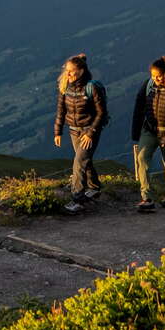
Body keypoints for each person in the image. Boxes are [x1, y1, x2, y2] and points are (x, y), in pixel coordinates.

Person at [131, 55, 165, 213]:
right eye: (153, 76)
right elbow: (138, 106)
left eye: (159, 76)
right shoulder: (148, 85)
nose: (155, 79)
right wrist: (136, 134)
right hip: (149, 130)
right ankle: (146, 198)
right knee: (141, 158)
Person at [53, 53, 107, 213]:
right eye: (66, 71)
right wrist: (58, 131)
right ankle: (95, 187)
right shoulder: (65, 86)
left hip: (89, 130)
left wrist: (90, 133)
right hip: (73, 130)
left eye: (71, 71)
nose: (67, 74)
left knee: (79, 163)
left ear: (81, 71)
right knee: (85, 160)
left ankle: (77, 199)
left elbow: (101, 113)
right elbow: (61, 110)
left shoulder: (91, 88)